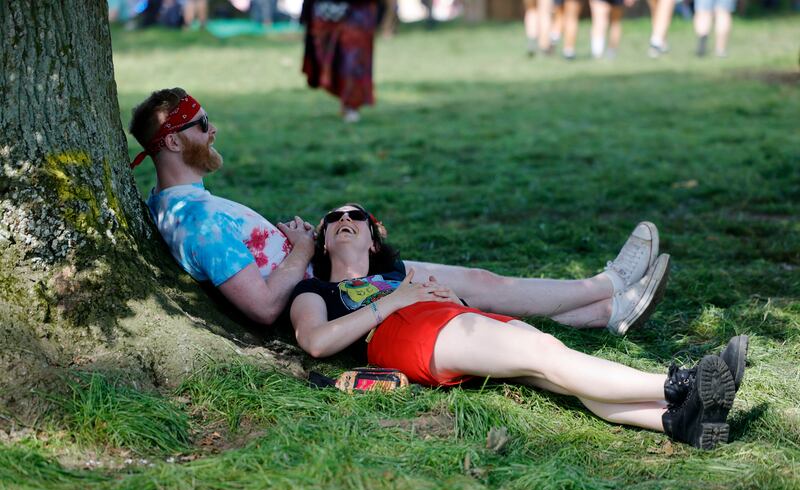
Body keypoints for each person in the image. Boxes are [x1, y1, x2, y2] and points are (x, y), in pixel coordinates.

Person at [129, 88, 670, 332]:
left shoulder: (179, 205)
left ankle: (604, 307)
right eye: (202, 125)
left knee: (476, 285)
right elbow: (266, 308)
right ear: (173, 143)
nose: (213, 129)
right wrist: (301, 248)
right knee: (476, 289)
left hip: (328, 273)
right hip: (333, 292)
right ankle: (609, 285)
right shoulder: (194, 222)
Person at [288, 203, 748, 449]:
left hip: (445, 321)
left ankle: (677, 423)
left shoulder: (394, 274)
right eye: (334, 218)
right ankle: (681, 386)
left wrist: (447, 298)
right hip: (402, 336)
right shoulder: (317, 292)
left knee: (553, 370)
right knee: (546, 356)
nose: (345, 220)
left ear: (373, 239)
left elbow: (465, 291)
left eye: (357, 217)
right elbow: (315, 342)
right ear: (324, 240)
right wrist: (396, 303)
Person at [300, 0, 379, 123]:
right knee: (326, 60)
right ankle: (345, 100)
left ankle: (351, 104)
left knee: (354, 59)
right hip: (325, 10)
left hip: (357, 10)